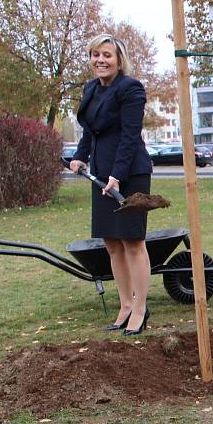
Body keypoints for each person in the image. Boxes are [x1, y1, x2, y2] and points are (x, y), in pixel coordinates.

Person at [70, 34, 154, 335]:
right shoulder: (91, 89)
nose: (100, 60)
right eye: (95, 54)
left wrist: (116, 176)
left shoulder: (130, 89)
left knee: (133, 242)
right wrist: (80, 157)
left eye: (106, 54)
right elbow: (89, 132)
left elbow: (130, 136)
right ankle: (126, 305)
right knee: (112, 243)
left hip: (130, 174)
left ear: (119, 60)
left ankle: (141, 307)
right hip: (101, 174)